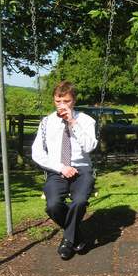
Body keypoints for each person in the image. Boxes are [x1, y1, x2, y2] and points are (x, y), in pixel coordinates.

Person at [32, 81, 97, 260]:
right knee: (52, 205)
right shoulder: (46, 123)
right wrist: (61, 167)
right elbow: (37, 153)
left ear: (73, 101)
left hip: (81, 170)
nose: (62, 106)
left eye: (66, 101)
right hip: (57, 170)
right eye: (58, 101)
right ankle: (76, 236)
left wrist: (72, 123)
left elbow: (90, 146)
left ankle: (68, 241)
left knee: (80, 201)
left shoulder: (86, 120)